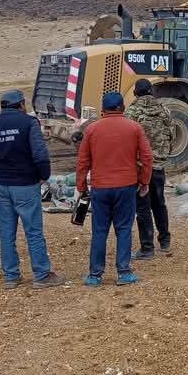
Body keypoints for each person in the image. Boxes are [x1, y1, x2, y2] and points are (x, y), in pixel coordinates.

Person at [0, 89, 65, 290]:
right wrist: (43, 175)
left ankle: (11, 276)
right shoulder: (29, 123)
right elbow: (40, 154)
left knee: (7, 232)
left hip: (1, 185)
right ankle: (41, 274)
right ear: (22, 104)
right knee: (33, 231)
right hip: (25, 184)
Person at [76, 92, 153, 287]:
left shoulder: (92, 130)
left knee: (99, 231)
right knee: (124, 229)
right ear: (122, 108)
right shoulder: (134, 128)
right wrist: (144, 181)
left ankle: (95, 275)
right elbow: (147, 157)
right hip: (126, 186)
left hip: (100, 187)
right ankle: (124, 272)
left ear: (103, 109)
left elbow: (83, 161)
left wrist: (82, 186)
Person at [125, 79, 175, 259]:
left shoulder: (132, 111)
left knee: (143, 207)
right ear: (151, 91)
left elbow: (127, 138)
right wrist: (163, 154)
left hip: (140, 166)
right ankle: (165, 240)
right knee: (160, 203)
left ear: (135, 93)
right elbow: (172, 134)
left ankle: (147, 248)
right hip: (159, 165)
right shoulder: (164, 110)